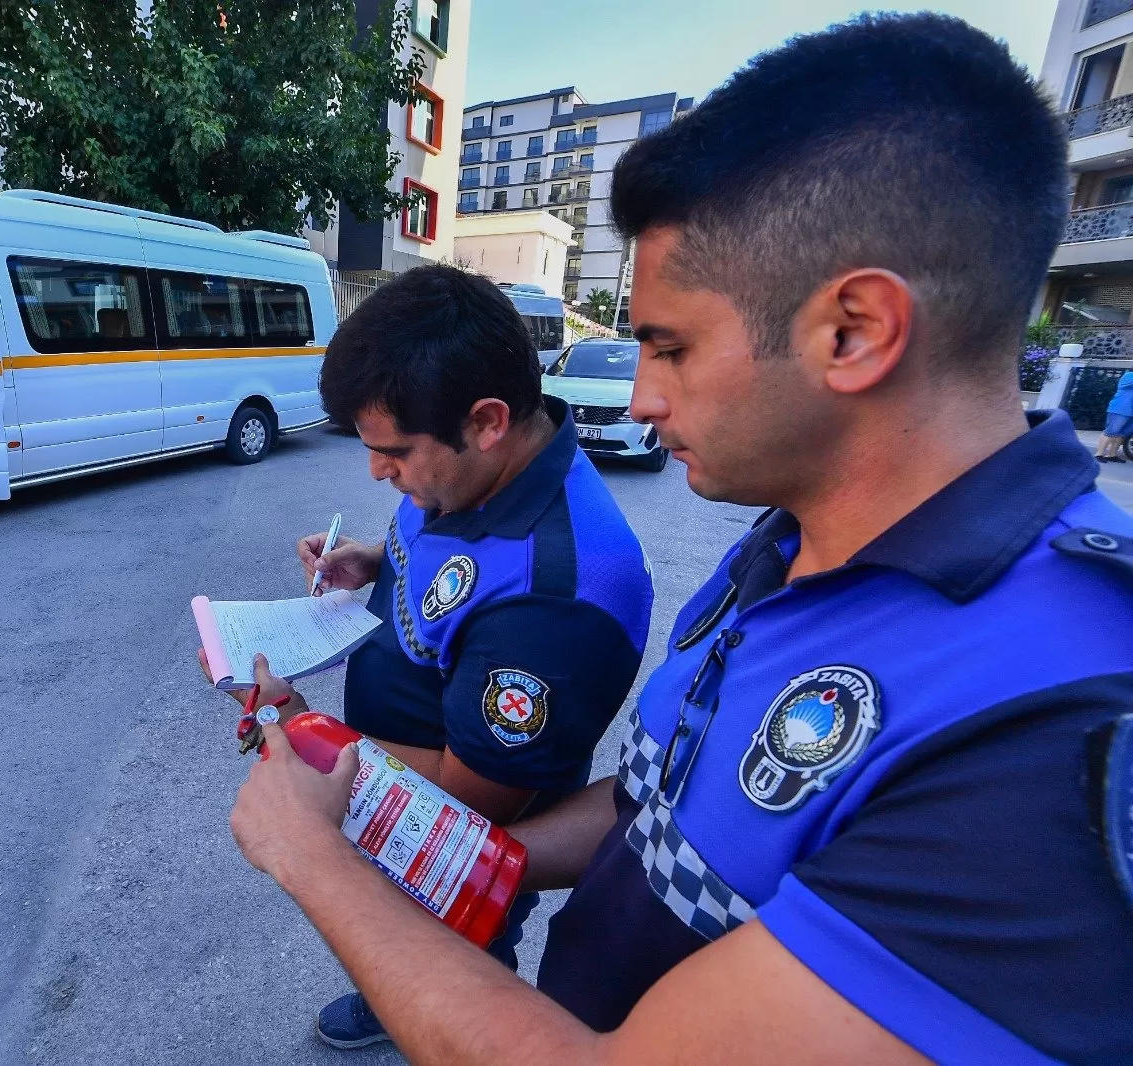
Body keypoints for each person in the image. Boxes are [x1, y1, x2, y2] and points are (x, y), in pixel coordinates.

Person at [227, 14, 1133, 1064]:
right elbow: (661, 808)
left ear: (854, 331)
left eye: (669, 346)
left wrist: (313, 853)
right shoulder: (789, 543)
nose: (640, 398)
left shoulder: (1056, 715)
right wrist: (496, 862)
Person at [204, 264, 654, 1049]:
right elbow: (451, 558)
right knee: (396, 907)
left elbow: (468, 803)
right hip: (395, 766)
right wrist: (375, 559)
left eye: (395, 453)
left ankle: (433, 1008)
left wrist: (301, 728)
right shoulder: (479, 470)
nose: (379, 472)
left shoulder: (553, 601)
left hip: (445, 825)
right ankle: (392, 992)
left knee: (453, 940)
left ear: (486, 421)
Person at [1095, 367, 1133, 463]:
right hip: (1120, 409)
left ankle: (1111, 455)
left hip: (1130, 411)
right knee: (1111, 431)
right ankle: (1099, 454)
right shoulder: (1128, 376)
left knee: (1123, 434)